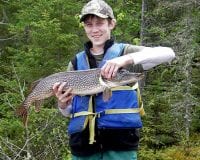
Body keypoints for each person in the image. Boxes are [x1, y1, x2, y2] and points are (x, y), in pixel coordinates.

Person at [53, 0, 175, 159]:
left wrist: (125, 60)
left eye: (100, 23)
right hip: (83, 148)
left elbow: (168, 53)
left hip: (120, 146)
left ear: (112, 23)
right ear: (84, 27)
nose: (94, 29)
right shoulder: (76, 63)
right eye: (89, 24)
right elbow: (69, 111)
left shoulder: (126, 52)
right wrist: (62, 104)